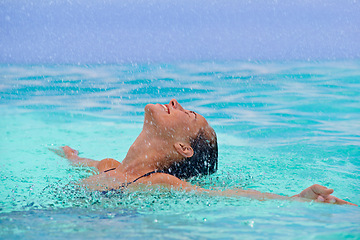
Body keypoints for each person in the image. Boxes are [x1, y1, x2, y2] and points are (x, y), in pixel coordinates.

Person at [52, 99, 357, 206]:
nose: (174, 102)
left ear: (183, 148)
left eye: (188, 113)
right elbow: (77, 160)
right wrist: (68, 154)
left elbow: (227, 196)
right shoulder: (107, 166)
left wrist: (293, 199)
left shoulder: (155, 182)